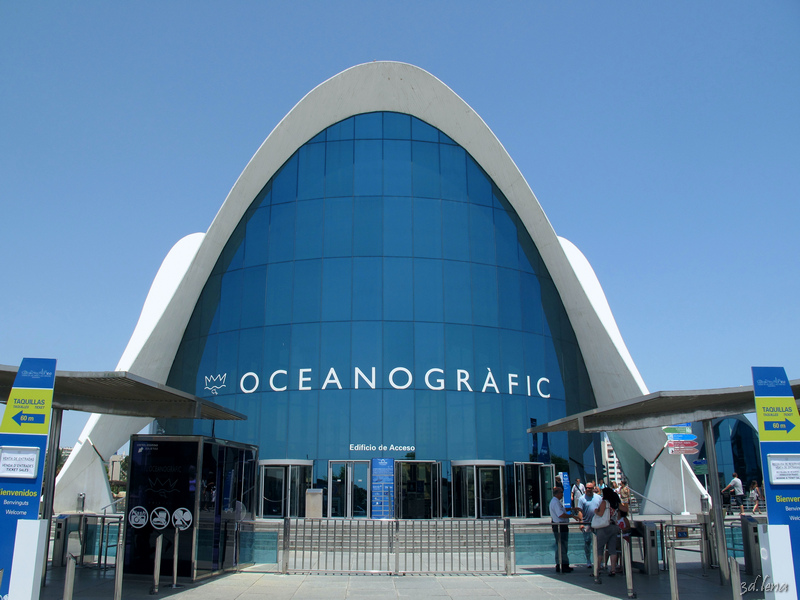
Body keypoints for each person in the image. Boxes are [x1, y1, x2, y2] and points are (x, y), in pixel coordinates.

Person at [593, 487, 621, 576]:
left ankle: (597, 569)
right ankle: (613, 569)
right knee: (612, 549)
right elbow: (623, 511)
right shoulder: (616, 503)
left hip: (604, 527)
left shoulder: (605, 502)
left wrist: (596, 511)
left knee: (599, 548)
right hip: (614, 526)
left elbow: (600, 513)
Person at [577, 481, 602, 568]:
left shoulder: (598, 498)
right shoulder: (582, 499)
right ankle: (588, 560)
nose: (588, 490)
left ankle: (599, 561)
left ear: (593, 489)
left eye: (590, 488)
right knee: (587, 542)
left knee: (599, 543)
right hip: (587, 523)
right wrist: (581, 523)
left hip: (597, 523)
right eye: (587, 488)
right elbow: (580, 511)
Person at [549, 486, 574, 573]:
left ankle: (564, 563)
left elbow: (562, 510)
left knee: (562, 546)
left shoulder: (557, 502)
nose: (562, 494)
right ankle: (561, 564)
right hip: (559, 526)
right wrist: (572, 516)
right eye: (561, 492)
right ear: (557, 493)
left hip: (561, 525)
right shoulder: (555, 502)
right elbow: (561, 514)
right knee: (561, 546)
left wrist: (571, 509)